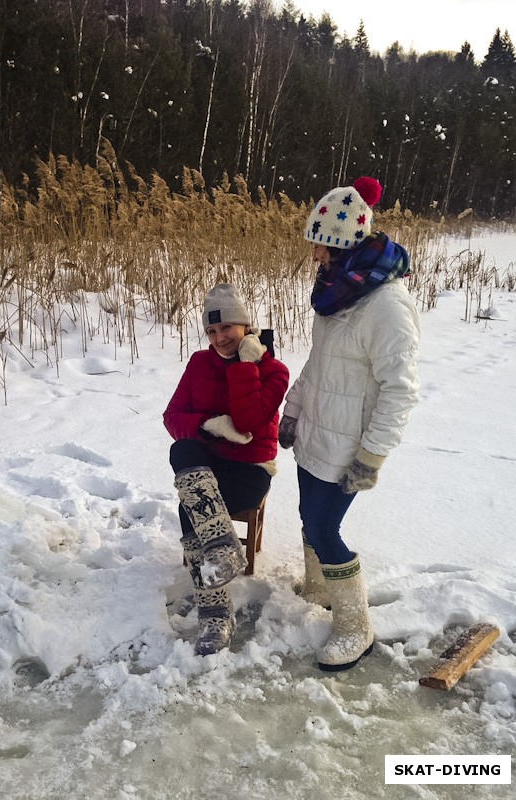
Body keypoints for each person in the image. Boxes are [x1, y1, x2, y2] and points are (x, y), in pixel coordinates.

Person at [279, 176, 420, 672]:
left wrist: (371, 456)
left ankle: (355, 626)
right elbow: (318, 365)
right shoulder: (336, 295)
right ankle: (320, 590)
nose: (314, 256)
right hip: (317, 430)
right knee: (306, 514)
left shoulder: (387, 306)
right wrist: (293, 409)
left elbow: (401, 389)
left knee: (324, 525)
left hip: (349, 444)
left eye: (319, 245)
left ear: (339, 245)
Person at [164, 284, 289, 656]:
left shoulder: (273, 371)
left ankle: (215, 605)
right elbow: (171, 417)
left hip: (250, 470)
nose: (219, 339)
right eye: (211, 331)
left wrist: (246, 366)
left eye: (227, 329)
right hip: (207, 462)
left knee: (192, 506)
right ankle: (218, 596)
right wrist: (206, 425)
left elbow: (250, 420)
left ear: (245, 326)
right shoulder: (199, 364)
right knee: (182, 449)